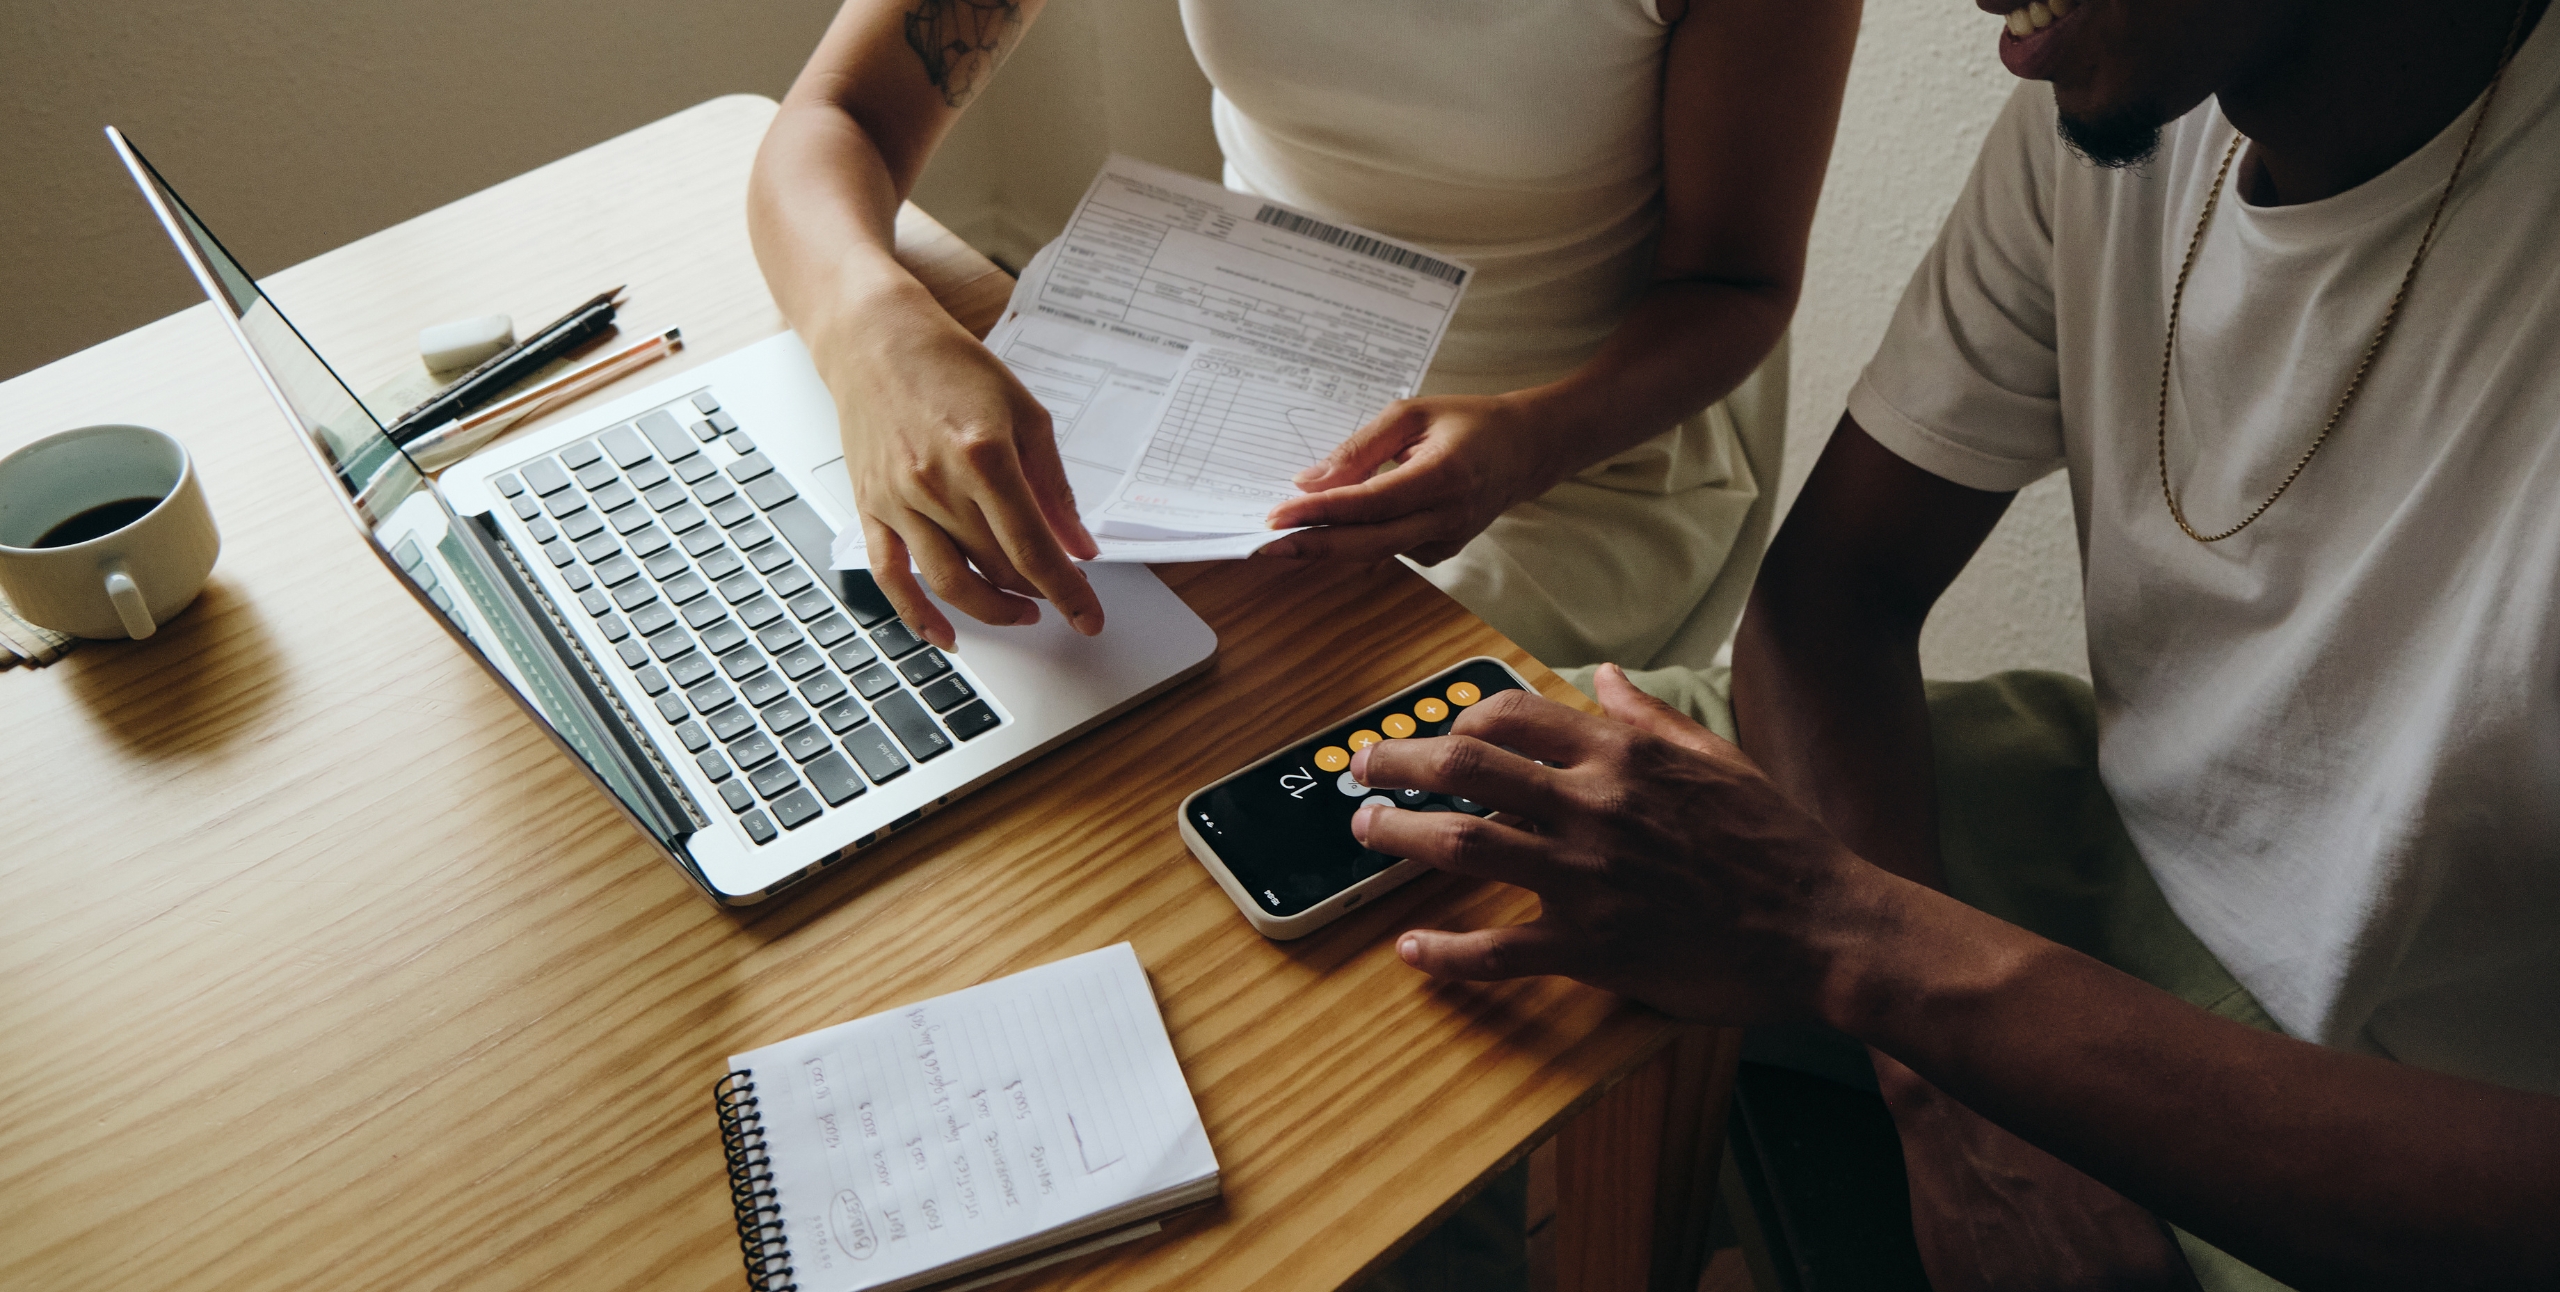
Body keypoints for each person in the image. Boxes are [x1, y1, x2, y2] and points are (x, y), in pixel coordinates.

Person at [1346, 0, 2560, 1287]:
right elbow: (1829, 603)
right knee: (1436, 822)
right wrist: (1945, 1085)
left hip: (2429, 1098)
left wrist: (1861, 942)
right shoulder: (2124, 112)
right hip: (2103, 829)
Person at [746, 0, 1858, 667]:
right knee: (962, 675)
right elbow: (836, 118)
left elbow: (1736, 282)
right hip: (1220, 378)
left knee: (1252, 760)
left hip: (1564, 463)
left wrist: (1530, 438)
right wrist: (873, 330)